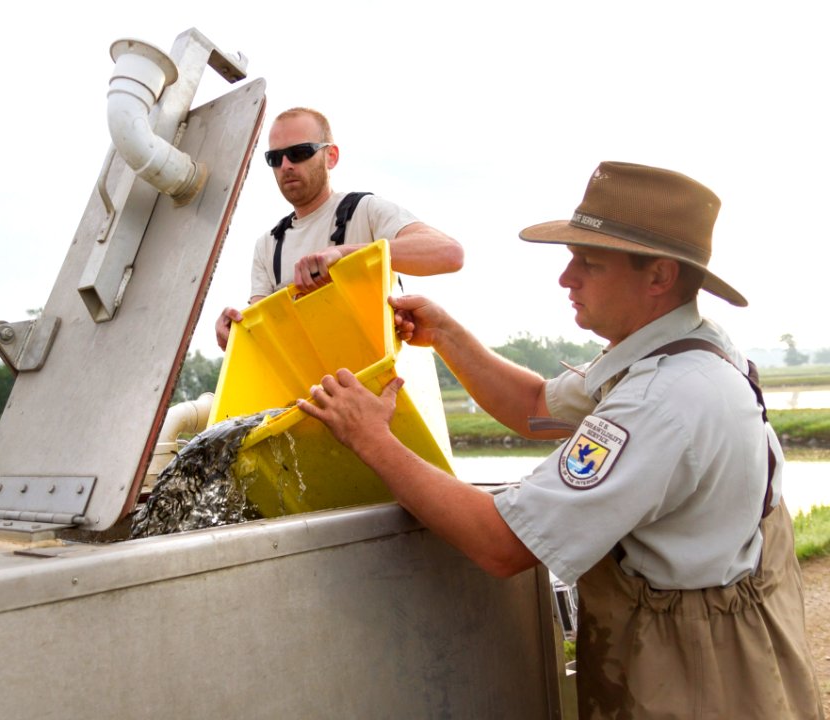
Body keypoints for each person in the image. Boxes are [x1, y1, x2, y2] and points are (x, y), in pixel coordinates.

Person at [297, 161, 824, 718]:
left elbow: (502, 544)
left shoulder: (662, 401)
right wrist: (446, 334)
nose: (566, 278)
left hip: (696, 676)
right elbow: (535, 408)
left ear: (659, 277)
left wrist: (369, 437)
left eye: (589, 263)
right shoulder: (682, 346)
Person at [214, 107, 463, 350]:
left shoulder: (364, 210)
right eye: (275, 159)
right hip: (310, 388)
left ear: (331, 156)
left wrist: (345, 255)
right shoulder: (268, 245)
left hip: (380, 385)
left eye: (299, 152)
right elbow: (261, 331)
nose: (286, 165)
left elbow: (449, 254)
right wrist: (235, 330)